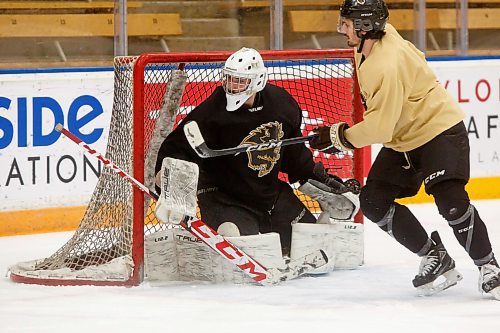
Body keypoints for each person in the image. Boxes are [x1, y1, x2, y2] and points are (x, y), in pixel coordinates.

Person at [309, 0, 500, 299]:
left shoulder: (386, 62)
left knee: (450, 199)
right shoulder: (368, 46)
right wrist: (342, 137)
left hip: (439, 132)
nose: (341, 28)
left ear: (364, 27)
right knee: (373, 201)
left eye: (346, 23)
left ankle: (489, 267)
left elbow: (381, 128)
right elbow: (386, 123)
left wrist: (340, 136)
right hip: (405, 140)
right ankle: (435, 256)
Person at [154, 47, 359, 256]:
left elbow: (293, 155)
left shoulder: (281, 104)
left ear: (257, 81)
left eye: (239, 80)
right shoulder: (210, 114)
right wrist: (171, 187)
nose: (232, 86)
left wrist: (317, 179)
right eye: (229, 79)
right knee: (235, 242)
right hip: (223, 197)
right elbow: (176, 150)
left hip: (268, 193)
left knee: (309, 244)